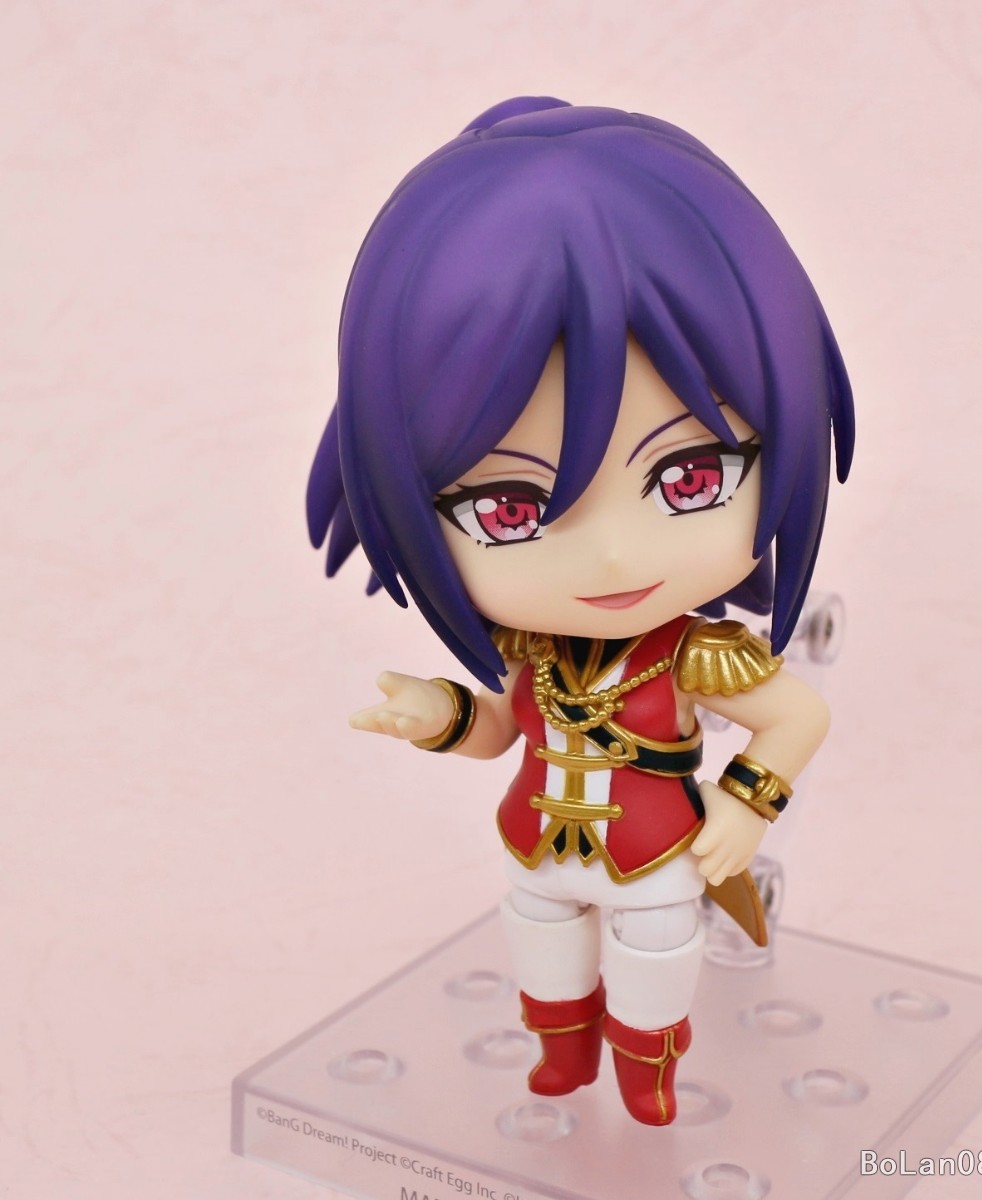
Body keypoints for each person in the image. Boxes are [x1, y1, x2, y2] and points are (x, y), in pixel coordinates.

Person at [307, 97, 854, 1125]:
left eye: (690, 477)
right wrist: (439, 716)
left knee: (654, 960)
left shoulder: (692, 655)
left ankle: (647, 1074)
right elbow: (502, 726)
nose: (609, 554)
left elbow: (798, 715)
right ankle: (561, 1054)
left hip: (656, 855)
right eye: (510, 508)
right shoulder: (527, 647)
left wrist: (744, 806)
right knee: (543, 944)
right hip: (537, 846)